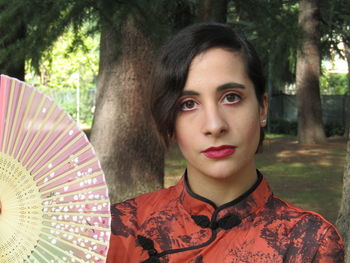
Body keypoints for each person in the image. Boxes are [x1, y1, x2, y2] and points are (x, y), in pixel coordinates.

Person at [106, 22, 344, 263]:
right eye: (188, 104)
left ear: (262, 108)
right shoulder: (118, 230)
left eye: (231, 98)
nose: (214, 125)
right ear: (171, 125)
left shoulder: (309, 242)